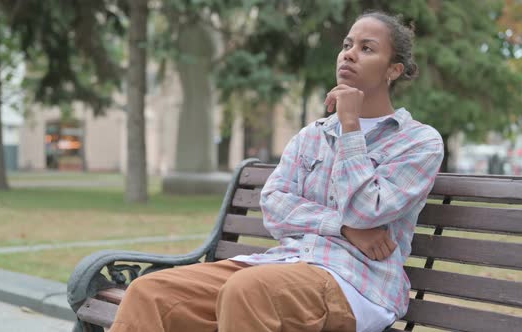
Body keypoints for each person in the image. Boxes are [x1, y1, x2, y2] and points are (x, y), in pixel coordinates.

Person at [110, 11, 444, 332]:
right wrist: (341, 228)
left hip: (358, 283)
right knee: (149, 292)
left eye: (366, 48)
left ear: (393, 70)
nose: (349, 55)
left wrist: (351, 126)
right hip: (284, 265)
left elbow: (365, 210)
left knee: (248, 290)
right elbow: (274, 204)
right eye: (346, 45)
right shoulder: (313, 135)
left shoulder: (418, 142)